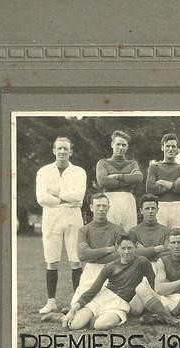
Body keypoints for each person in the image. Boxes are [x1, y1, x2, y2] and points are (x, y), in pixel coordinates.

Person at [62, 233, 180, 329]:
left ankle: (90, 318)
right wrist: (73, 309)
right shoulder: (110, 266)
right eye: (123, 248)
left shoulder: (142, 262)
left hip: (120, 303)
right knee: (74, 326)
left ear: (135, 247)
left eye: (130, 248)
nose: (126, 252)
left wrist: (167, 297)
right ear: (118, 248)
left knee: (102, 325)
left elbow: (153, 284)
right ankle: (63, 317)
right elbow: (94, 290)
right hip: (103, 297)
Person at [35, 136, 87, 314]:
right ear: (54, 150)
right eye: (59, 148)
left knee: (76, 260)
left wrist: (56, 194)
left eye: (66, 148)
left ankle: (77, 301)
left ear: (71, 151)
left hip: (73, 217)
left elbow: (79, 196)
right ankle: (51, 301)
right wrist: (66, 198)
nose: (62, 152)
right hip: (51, 218)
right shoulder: (43, 172)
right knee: (52, 261)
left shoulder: (79, 172)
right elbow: (41, 198)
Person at [137, 228, 180, 327]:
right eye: (173, 243)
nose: (176, 246)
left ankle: (167, 317)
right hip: (168, 300)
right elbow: (159, 289)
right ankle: (172, 319)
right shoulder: (162, 261)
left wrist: (169, 287)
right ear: (169, 245)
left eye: (179, 242)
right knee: (140, 288)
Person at [69, 193, 124, 308]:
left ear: (108, 208)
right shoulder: (84, 230)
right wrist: (108, 249)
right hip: (91, 271)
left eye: (104, 206)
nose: (101, 209)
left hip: (112, 270)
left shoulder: (117, 230)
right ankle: (60, 316)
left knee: (108, 306)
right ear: (91, 207)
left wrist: (93, 254)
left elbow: (121, 255)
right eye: (98, 206)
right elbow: (83, 255)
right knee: (78, 304)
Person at [96, 129, 143, 230]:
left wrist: (117, 176)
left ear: (127, 147)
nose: (121, 147)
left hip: (128, 200)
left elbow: (138, 178)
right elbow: (103, 181)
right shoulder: (103, 163)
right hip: (110, 200)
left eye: (123, 145)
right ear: (112, 144)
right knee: (110, 233)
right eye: (118, 144)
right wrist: (128, 180)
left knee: (129, 233)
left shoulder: (132, 163)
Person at [145, 133, 180, 230]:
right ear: (162, 147)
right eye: (167, 146)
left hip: (178, 206)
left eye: (173, 146)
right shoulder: (154, 167)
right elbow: (150, 188)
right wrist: (175, 185)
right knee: (160, 238)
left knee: (179, 237)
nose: (170, 149)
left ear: (177, 149)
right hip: (160, 207)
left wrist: (162, 182)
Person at [128, 194, 170, 264]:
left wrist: (144, 252)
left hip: (161, 265)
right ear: (141, 211)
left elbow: (170, 253)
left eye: (153, 208)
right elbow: (130, 253)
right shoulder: (133, 231)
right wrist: (156, 249)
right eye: (147, 208)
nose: (150, 211)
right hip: (140, 266)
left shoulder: (166, 231)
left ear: (157, 210)